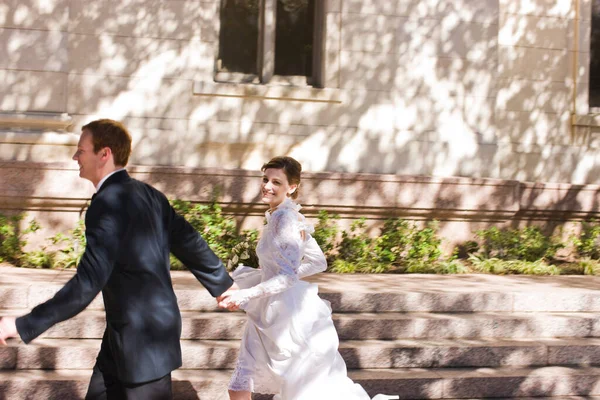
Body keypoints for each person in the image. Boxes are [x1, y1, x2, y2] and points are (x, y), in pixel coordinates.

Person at [0, 119, 238, 399]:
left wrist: (22, 324)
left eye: (81, 150)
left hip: (144, 341)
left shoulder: (107, 204)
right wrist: (222, 284)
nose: (75, 157)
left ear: (105, 154)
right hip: (128, 334)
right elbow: (188, 241)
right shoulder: (149, 194)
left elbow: (87, 283)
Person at [218, 156, 374, 400]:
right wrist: (273, 274)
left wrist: (246, 293)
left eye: (276, 182)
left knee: (295, 388)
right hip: (268, 306)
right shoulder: (284, 215)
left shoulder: (286, 219)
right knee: (240, 385)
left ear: (292, 187)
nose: (267, 186)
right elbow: (317, 262)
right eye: (265, 179)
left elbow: (288, 276)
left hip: (284, 313)